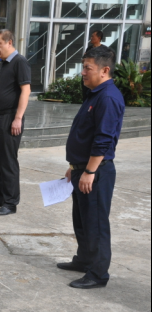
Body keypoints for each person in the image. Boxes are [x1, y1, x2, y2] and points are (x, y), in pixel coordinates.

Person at [60, 46, 124, 289]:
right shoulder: (95, 94)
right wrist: (75, 166)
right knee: (82, 219)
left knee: (95, 223)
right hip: (82, 168)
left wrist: (89, 171)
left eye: (88, 68)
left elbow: (103, 139)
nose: (83, 73)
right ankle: (84, 260)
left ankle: (98, 274)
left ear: (104, 70)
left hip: (96, 172)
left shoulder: (107, 97)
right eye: (83, 67)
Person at [0, 30, 31, 216]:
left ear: (9, 42)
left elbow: (25, 91)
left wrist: (18, 118)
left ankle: (10, 203)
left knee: (8, 161)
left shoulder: (19, 62)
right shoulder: (4, 64)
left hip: (10, 118)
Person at [82, 31, 107, 99]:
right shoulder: (89, 48)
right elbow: (83, 60)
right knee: (85, 94)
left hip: (96, 75)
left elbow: (104, 62)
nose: (91, 38)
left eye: (93, 36)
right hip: (87, 74)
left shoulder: (104, 50)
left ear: (99, 38)